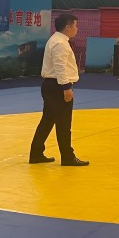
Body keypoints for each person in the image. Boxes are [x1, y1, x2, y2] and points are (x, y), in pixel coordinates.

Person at [29, 14, 89, 166]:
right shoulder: (60, 43)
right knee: (63, 123)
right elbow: (60, 67)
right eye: (75, 26)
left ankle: (36, 153)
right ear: (68, 27)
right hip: (58, 87)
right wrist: (66, 87)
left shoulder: (56, 40)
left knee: (47, 121)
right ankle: (67, 157)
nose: (77, 29)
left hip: (52, 86)